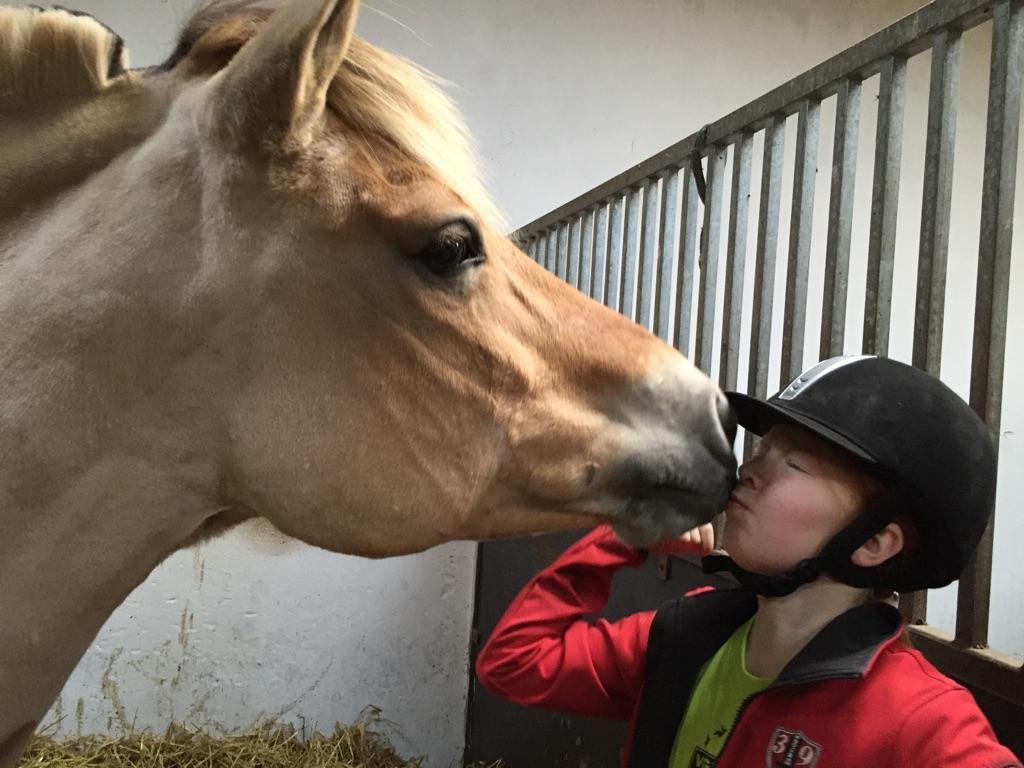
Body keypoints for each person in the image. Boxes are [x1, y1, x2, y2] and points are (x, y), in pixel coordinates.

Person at [475, 355, 1021, 768]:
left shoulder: (920, 720)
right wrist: (625, 537)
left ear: (873, 543)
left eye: (795, 463)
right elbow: (514, 663)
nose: (750, 470)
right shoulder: (686, 637)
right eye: (761, 450)